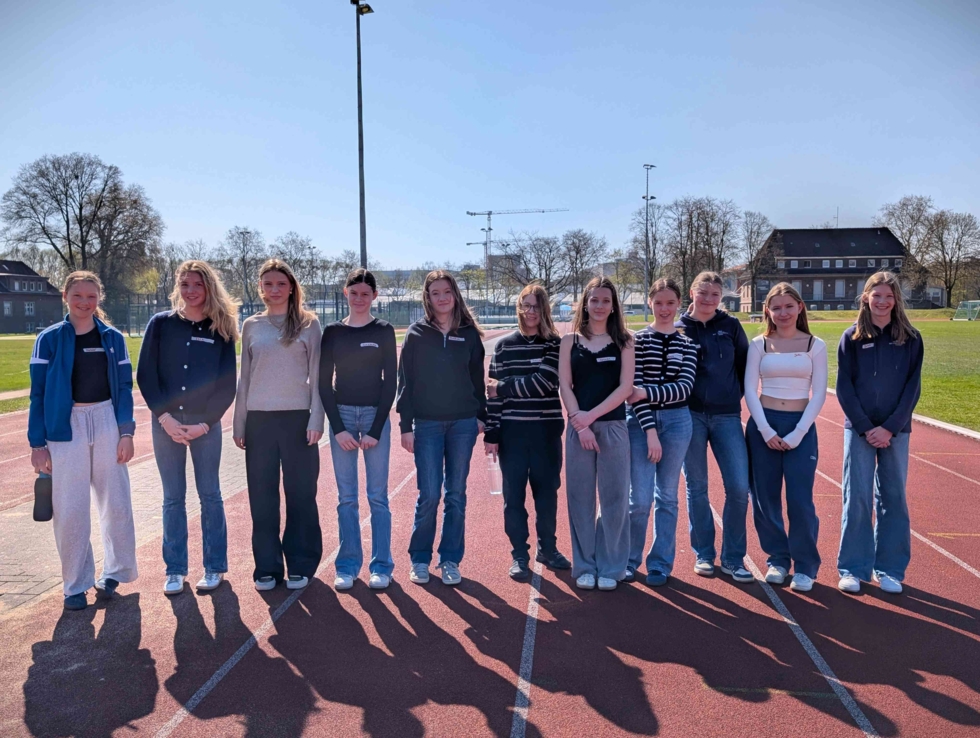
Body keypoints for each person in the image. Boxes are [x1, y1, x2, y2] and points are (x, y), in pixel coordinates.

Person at [28, 271, 138, 611]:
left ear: (99, 298)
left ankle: (116, 572)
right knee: (70, 508)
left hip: (106, 420)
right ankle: (75, 584)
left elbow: (124, 388)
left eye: (91, 296)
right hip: (65, 427)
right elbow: (38, 394)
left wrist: (126, 432)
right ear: (65, 296)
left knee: (116, 502)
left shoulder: (113, 338)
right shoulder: (48, 339)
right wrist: (37, 444)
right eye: (77, 295)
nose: (84, 302)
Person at [137, 260, 239, 595]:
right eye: (185, 284)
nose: (191, 291)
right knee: (172, 498)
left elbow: (227, 385)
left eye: (197, 284)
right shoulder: (160, 324)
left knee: (210, 495)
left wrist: (205, 424)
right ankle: (175, 569)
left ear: (208, 287)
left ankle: (214, 567)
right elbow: (146, 375)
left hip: (204, 427)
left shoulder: (220, 328)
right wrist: (164, 418)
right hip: (165, 424)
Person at [233, 259, 324, 592]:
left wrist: (316, 417)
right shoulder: (251, 325)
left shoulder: (309, 324)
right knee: (262, 497)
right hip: (259, 421)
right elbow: (245, 378)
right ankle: (267, 567)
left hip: (298, 420)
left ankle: (301, 562)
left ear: (291, 288)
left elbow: (318, 375)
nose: (274, 290)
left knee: (301, 494)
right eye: (268, 284)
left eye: (281, 284)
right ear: (260, 287)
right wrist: (240, 422)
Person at [836, 272, 923, 595]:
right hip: (859, 431)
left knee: (893, 498)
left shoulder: (911, 339)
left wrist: (890, 427)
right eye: (877, 296)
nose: (883, 302)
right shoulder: (852, 337)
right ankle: (852, 568)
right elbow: (844, 387)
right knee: (856, 498)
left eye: (889, 296)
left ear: (897, 300)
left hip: (895, 431)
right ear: (866, 298)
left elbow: (912, 388)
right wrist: (864, 426)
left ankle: (889, 569)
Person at [397, 270, 486, 586]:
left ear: (455, 294)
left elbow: (477, 379)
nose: (442, 297)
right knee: (430, 494)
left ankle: (449, 559)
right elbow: (405, 382)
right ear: (428, 297)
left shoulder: (469, 334)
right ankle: (420, 559)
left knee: (456, 494)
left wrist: (481, 416)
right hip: (428, 424)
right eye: (435, 293)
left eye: (447, 291)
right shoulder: (416, 334)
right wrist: (405, 425)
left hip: (463, 424)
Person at [744, 282, 828, 592]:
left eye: (789, 306)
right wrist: (765, 430)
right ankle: (778, 560)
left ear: (800, 307)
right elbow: (749, 390)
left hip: (800, 427)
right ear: (767, 310)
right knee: (765, 499)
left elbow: (819, 393)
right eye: (776, 307)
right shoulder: (759, 345)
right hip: (763, 426)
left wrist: (798, 433)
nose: (783, 313)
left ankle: (805, 566)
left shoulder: (815, 345)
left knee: (799, 500)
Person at [484, 283, 571, 581]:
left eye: (536, 306)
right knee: (513, 498)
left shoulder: (555, 344)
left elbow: (544, 383)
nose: (531, 311)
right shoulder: (504, 346)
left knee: (547, 494)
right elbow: (492, 396)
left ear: (544, 309)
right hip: (513, 435)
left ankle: (548, 548)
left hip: (546, 433)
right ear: (519, 308)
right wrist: (492, 433)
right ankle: (519, 554)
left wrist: (503, 388)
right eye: (526, 305)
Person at [319, 268, 397, 591]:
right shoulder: (332, 332)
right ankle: (347, 565)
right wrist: (338, 429)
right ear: (345, 293)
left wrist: (376, 428)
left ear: (374, 296)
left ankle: (382, 566)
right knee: (347, 498)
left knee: (378, 497)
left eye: (366, 293)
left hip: (375, 416)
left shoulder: (384, 330)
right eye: (354, 293)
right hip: (343, 417)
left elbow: (390, 382)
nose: (360, 299)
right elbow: (323, 383)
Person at [558, 276, 635, 591]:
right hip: (579, 430)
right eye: (594, 300)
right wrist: (580, 423)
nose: (600, 306)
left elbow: (626, 388)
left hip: (613, 428)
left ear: (613, 305)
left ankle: (612, 566)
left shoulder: (625, 341)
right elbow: (565, 385)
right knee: (580, 499)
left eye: (606, 300)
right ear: (585, 304)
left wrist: (590, 417)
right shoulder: (569, 342)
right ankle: (585, 565)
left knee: (615, 499)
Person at [677, 272, 753, 583]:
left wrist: (732, 396)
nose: (709, 299)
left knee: (738, 487)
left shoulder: (731, 326)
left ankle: (733, 558)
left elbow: (745, 366)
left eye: (715, 295)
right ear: (691, 293)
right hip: (690, 416)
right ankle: (704, 554)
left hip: (727, 416)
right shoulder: (679, 328)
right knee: (697, 487)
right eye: (703, 293)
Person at [626, 278, 698, 587]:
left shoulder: (688, 344)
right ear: (649, 303)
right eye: (658, 303)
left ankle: (660, 564)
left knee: (667, 497)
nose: (664, 309)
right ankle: (629, 560)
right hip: (640, 424)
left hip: (678, 422)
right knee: (640, 500)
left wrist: (647, 392)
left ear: (679, 304)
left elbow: (684, 388)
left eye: (670, 303)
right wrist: (650, 431)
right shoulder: (637, 341)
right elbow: (633, 391)